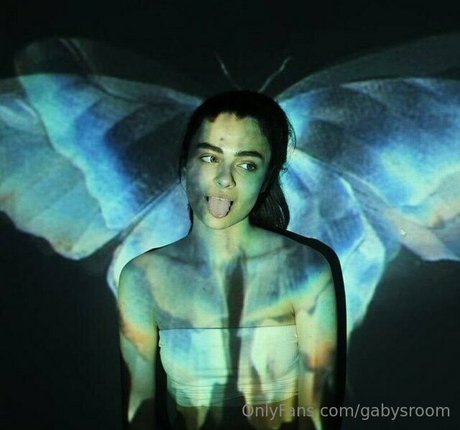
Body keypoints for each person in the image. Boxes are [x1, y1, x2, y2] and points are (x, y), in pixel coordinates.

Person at [118, 91, 343, 430]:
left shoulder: (306, 270)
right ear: (185, 163)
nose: (225, 179)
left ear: (266, 178)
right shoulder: (141, 278)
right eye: (210, 157)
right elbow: (139, 412)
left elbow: (318, 414)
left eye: (247, 164)